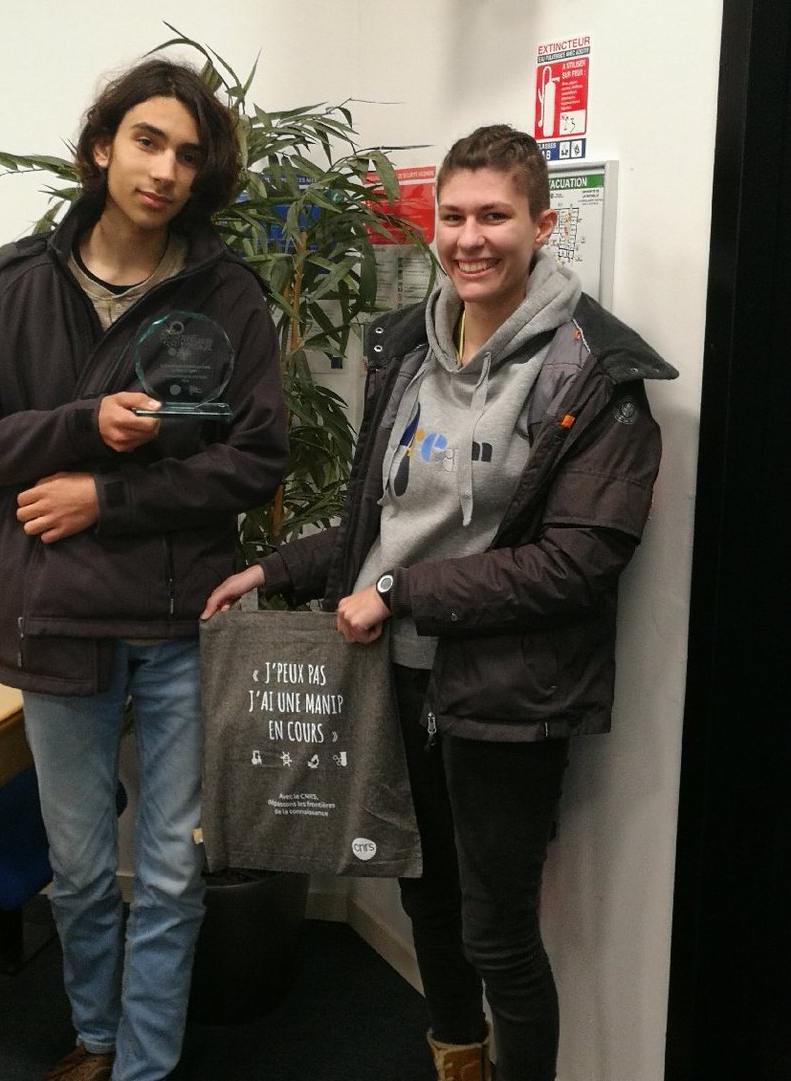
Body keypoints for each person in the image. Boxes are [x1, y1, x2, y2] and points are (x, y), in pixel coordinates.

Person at [202, 125, 677, 1081]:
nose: (470, 237)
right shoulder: (408, 346)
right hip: (401, 677)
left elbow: (577, 563)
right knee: (425, 895)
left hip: (508, 697)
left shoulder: (596, 373)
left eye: (495, 216)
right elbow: (382, 518)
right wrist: (277, 570)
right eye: (452, 216)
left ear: (542, 225)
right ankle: (456, 1060)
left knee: (499, 934)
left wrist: (398, 591)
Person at [0, 58, 288, 1081]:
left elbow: (258, 458)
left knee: (170, 873)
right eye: (147, 141)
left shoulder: (228, 293)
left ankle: (141, 1066)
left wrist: (106, 496)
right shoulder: (14, 285)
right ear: (101, 146)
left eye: (186, 153)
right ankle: (93, 1036)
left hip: (177, 621)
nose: (165, 169)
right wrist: (82, 427)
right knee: (83, 872)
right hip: (56, 623)